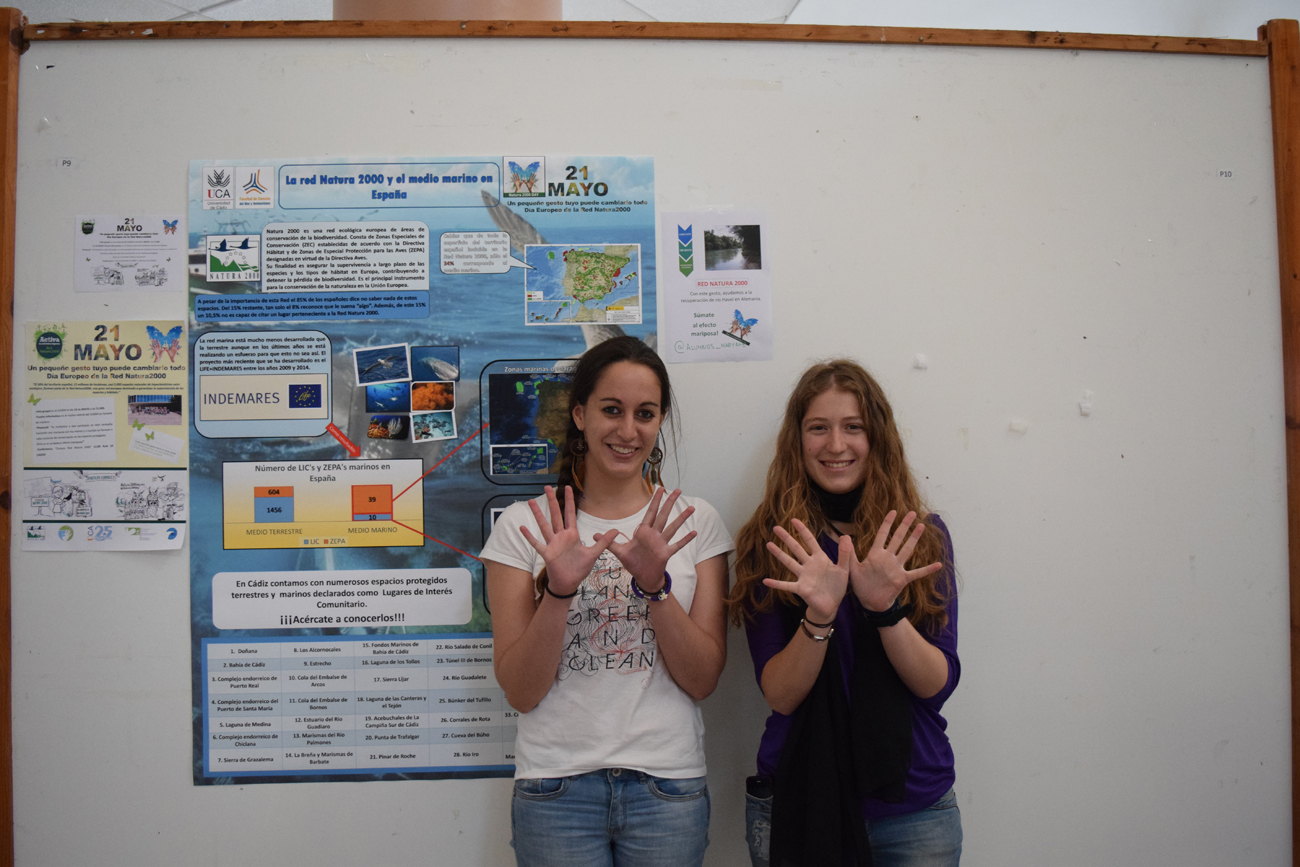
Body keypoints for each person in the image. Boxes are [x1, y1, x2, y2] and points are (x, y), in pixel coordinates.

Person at [481, 335, 733, 867]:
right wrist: (559, 591)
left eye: (645, 413)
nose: (627, 431)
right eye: (611, 410)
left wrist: (655, 589)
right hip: (555, 790)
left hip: (667, 787)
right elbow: (522, 692)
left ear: (660, 420)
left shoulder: (694, 524)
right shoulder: (523, 527)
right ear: (578, 414)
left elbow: (703, 679)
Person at [728, 359, 961, 867]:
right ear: (797, 440)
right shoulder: (771, 545)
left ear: (877, 436)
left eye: (853, 427)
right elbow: (781, 695)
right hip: (800, 799)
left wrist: (885, 611)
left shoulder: (920, 538)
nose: (836, 445)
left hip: (916, 809)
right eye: (819, 428)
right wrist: (818, 619)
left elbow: (936, 684)